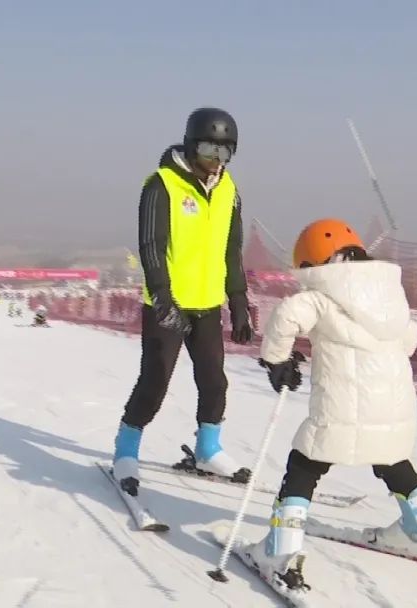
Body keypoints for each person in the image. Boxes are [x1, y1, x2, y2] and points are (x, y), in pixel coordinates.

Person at [248, 218, 417, 590]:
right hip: (394, 403)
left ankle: (280, 550)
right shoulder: (388, 292)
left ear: (311, 262)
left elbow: (287, 316)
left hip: (342, 405)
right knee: (391, 457)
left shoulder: (321, 293)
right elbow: (409, 340)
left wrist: (277, 360)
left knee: (305, 462)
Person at [111, 107, 254, 496]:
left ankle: (208, 449)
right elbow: (151, 246)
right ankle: (126, 450)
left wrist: (238, 301)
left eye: (225, 152)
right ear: (191, 145)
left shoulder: (228, 190)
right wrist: (161, 297)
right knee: (155, 381)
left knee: (214, 381)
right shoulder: (162, 185)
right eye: (210, 150)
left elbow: (231, 250)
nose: (217, 160)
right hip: (168, 305)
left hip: (207, 304)